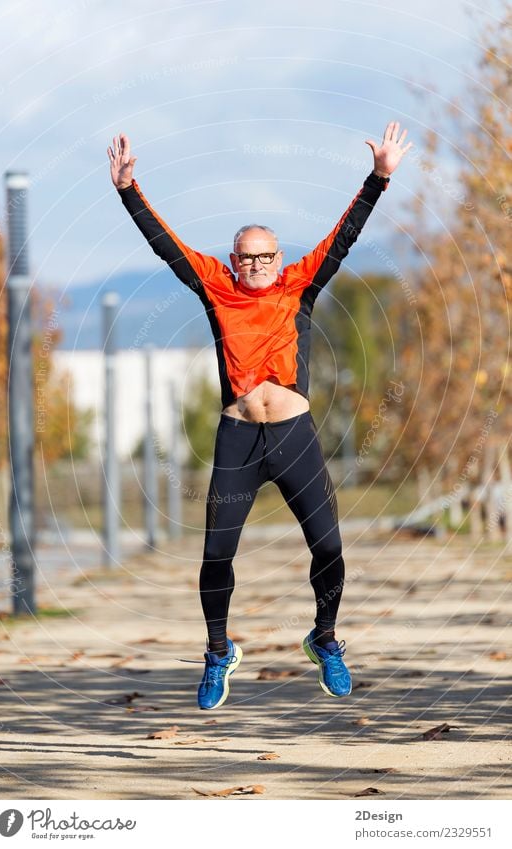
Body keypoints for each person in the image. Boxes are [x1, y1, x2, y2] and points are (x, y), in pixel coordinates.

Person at [108, 122, 412, 710]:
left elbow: (343, 237)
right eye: (247, 258)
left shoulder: (298, 285)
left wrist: (379, 178)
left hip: (293, 435)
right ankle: (219, 651)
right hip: (238, 439)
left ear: (280, 257)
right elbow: (164, 242)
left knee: (328, 545)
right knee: (216, 553)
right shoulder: (214, 286)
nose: (257, 266)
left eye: (266, 256)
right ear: (233, 259)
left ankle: (325, 639)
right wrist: (128, 190)